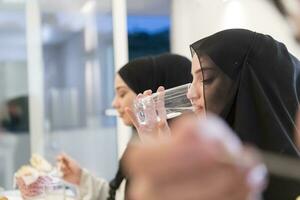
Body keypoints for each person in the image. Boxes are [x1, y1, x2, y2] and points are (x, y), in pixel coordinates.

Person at [125, 29, 300, 200]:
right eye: (192, 80)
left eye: (206, 79)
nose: (190, 93)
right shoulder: (209, 175)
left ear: (248, 87)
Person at [56, 53, 192, 200]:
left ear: (148, 92)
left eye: (122, 94)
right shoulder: (137, 143)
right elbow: (119, 194)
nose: (115, 103)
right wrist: (81, 177)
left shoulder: (184, 156)